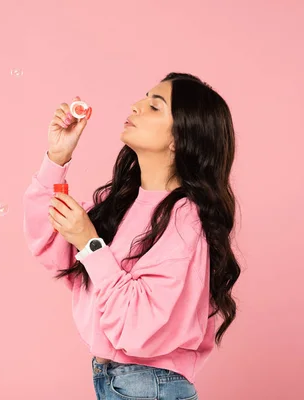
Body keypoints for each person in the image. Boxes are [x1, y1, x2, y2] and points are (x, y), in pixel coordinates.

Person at [22, 72, 241, 400]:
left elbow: (140, 327)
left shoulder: (185, 219)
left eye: (155, 106)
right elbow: (47, 241)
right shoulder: (119, 203)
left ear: (179, 138)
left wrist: (90, 243)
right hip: (118, 380)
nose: (136, 106)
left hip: (148, 386)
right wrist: (57, 157)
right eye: (144, 99)